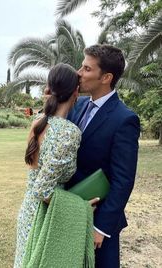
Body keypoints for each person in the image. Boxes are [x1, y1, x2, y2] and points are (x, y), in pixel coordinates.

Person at [14, 63, 98, 268]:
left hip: (28, 210)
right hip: (44, 217)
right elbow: (43, 189)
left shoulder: (38, 120)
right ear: (76, 91)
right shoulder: (68, 132)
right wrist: (80, 208)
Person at [65, 44, 141, 267]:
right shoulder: (75, 105)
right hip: (71, 212)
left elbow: (123, 180)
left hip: (98, 221)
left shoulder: (124, 119)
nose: (79, 73)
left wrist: (101, 227)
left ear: (106, 77)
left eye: (87, 69)